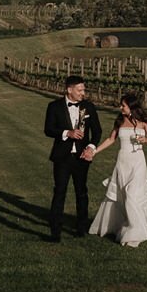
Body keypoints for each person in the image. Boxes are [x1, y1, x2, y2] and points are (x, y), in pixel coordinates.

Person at [85, 92, 147, 248]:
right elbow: (111, 139)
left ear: (131, 106)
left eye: (123, 105)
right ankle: (117, 224)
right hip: (123, 162)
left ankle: (135, 230)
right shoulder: (120, 120)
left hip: (138, 163)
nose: (120, 107)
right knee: (121, 194)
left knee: (132, 195)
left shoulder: (143, 123)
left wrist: (145, 140)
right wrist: (94, 151)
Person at [43, 75, 101, 242]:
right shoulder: (54, 106)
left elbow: (97, 131)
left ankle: (81, 228)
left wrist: (91, 148)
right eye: (80, 90)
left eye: (84, 89)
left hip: (82, 157)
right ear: (69, 90)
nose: (83, 93)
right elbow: (48, 129)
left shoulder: (89, 107)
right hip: (62, 157)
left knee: (81, 192)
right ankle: (55, 231)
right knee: (60, 192)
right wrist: (67, 133)